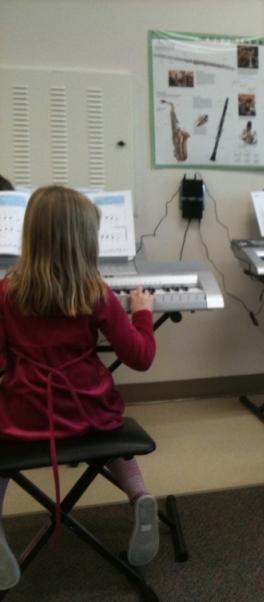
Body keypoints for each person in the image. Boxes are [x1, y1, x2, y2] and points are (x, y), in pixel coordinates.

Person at [0, 187, 159, 590]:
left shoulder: (7, 293)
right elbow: (140, 357)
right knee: (114, 428)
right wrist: (142, 315)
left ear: (30, 236)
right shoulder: (97, 293)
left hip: (26, 421)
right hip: (90, 416)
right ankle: (140, 496)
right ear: (86, 240)